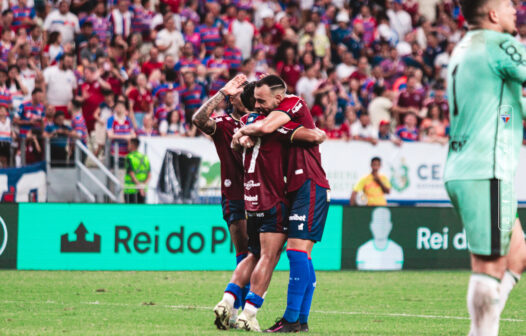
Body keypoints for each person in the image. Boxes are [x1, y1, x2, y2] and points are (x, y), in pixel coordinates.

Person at [444, 1, 526, 335]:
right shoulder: (499, 44)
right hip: (484, 169)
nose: (515, 9)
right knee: (488, 265)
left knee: (517, 255)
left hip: (469, 167)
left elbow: (504, 107)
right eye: (508, 5)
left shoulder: (467, 47)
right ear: (492, 14)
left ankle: (485, 323)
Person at [232, 75, 330, 333]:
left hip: (310, 184)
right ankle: (301, 320)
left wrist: (243, 130)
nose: (258, 106)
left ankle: (290, 319)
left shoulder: (292, 104)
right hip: (296, 189)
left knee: (296, 252)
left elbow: (264, 128)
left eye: (262, 101)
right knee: (302, 255)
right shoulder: (281, 125)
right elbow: (311, 135)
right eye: (254, 101)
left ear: (278, 98)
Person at [124, 137, 150, 203]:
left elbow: (132, 174)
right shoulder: (145, 157)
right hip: (143, 190)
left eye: (128, 144)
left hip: (131, 190)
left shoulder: (129, 157)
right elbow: (149, 175)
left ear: (132, 145)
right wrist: (142, 186)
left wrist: (139, 187)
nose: (127, 146)